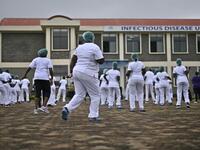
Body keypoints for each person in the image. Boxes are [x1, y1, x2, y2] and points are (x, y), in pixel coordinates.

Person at [61, 31, 104, 122]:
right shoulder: (95, 47)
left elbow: (73, 60)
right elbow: (100, 60)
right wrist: (101, 58)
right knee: (95, 95)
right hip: (89, 72)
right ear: (92, 38)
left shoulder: (79, 47)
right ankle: (93, 116)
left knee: (79, 94)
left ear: (84, 38)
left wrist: (71, 72)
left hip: (77, 71)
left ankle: (67, 108)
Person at [23, 48, 53, 114]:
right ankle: (44, 106)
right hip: (45, 78)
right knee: (47, 92)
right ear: (46, 54)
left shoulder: (35, 59)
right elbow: (50, 70)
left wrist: (25, 75)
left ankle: (36, 109)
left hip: (37, 78)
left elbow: (29, 67)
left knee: (37, 94)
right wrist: (51, 78)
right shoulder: (48, 60)